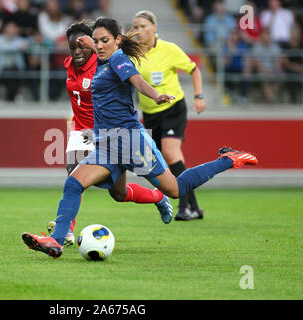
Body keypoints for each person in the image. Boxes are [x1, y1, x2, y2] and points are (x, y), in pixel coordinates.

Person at [22, 17, 258, 259]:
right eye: (97, 41)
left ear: (117, 41)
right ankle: (56, 242)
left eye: (105, 41)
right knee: (79, 184)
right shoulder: (101, 58)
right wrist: (89, 42)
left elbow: (137, 80)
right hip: (106, 144)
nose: (99, 46)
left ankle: (228, 159)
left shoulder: (118, 60)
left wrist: (155, 96)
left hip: (130, 141)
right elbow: (96, 47)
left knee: (175, 189)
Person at [47, 21, 181, 245]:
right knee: (75, 176)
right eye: (73, 47)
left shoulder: (103, 63)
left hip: (112, 133)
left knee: (116, 193)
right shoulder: (69, 65)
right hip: (82, 130)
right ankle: (65, 231)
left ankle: (158, 195)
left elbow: (130, 79)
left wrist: (155, 94)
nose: (78, 51)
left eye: (83, 45)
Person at [131, 10, 206, 221]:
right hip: (150, 113)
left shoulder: (169, 49)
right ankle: (194, 207)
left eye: (143, 26)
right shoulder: (132, 54)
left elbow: (194, 70)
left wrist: (199, 96)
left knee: (170, 152)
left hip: (173, 109)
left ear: (154, 28)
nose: (139, 30)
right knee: (164, 160)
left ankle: (184, 206)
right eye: (135, 27)